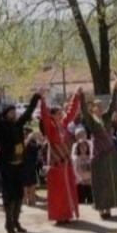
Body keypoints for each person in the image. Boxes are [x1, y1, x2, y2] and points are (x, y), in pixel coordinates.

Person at [0, 89, 41, 233]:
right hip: (7, 166)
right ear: (6, 114)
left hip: (19, 164)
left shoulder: (18, 125)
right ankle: (9, 223)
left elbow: (28, 113)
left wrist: (36, 97)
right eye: (11, 112)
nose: (14, 113)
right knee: (9, 196)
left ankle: (16, 221)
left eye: (14, 111)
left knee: (19, 195)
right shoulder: (1, 126)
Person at [78, 88, 117, 219]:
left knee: (109, 182)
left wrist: (115, 90)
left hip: (109, 154)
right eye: (97, 107)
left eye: (101, 106)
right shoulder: (91, 120)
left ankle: (108, 207)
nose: (100, 108)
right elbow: (84, 111)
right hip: (98, 154)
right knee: (100, 182)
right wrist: (81, 96)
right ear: (93, 109)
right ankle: (101, 208)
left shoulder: (106, 117)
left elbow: (112, 105)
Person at [40, 87, 81, 224]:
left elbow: (71, 112)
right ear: (52, 116)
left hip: (66, 164)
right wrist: (42, 99)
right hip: (56, 165)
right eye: (57, 113)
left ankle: (67, 214)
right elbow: (44, 117)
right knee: (58, 192)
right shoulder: (50, 129)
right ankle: (58, 216)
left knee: (67, 190)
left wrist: (76, 96)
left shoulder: (63, 125)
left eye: (60, 113)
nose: (60, 115)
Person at [22, 130, 42, 207]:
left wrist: (39, 137)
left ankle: (32, 202)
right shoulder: (20, 143)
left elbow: (39, 146)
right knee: (24, 187)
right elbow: (24, 145)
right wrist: (30, 137)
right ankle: (25, 202)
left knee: (32, 186)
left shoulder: (32, 143)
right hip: (23, 168)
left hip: (31, 167)